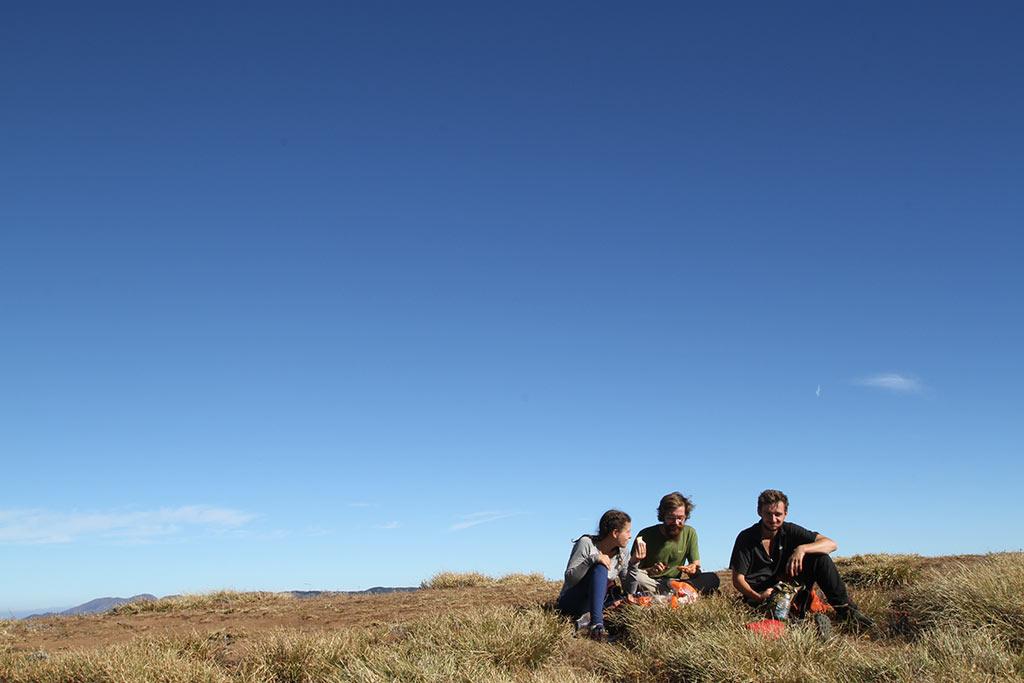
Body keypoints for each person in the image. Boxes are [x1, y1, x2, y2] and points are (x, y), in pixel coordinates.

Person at [729, 489, 873, 628]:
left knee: (820, 558)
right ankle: (801, 625)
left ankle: (847, 613)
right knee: (779, 620)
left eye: (778, 514)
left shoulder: (791, 530)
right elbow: (738, 580)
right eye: (768, 514)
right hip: (761, 596)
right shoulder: (746, 537)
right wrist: (758, 596)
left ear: (785, 513)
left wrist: (802, 549)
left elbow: (831, 544)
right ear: (759, 512)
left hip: (789, 590)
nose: (773, 519)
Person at [558, 509, 646, 641]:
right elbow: (570, 578)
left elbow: (629, 590)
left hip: (597, 603)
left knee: (630, 598)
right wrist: (593, 559)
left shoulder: (623, 553)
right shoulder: (586, 543)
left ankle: (586, 622)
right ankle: (596, 626)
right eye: (627, 531)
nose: (630, 536)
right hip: (572, 600)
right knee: (600, 567)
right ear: (615, 533)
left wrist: (634, 564)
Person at [628, 492, 721, 595]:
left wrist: (693, 569)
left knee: (712, 578)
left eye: (680, 518)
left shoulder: (690, 533)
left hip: (675, 583)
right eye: (671, 518)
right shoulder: (645, 534)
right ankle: (683, 594)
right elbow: (632, 570)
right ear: (663, 516)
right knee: (638, 577)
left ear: (686, 516)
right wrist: (651, 570)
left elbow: (696, 568)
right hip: (652, 582)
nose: (676, 523)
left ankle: (680, 591)